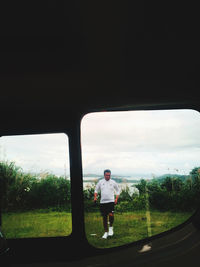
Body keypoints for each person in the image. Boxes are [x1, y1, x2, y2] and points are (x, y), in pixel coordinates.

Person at [94, 169, 120, 239]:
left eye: (109, 175)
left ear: (110, 175)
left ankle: (111, 227)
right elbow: (96, 190)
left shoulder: (113, 182)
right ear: (104, 175)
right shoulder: (100, 182)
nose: (108, 176)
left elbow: (118, 190)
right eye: (106, 175)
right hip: (103, 202)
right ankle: (106, 232)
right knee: (104, 217)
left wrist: (116, 198)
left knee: (111, 215)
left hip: (111, 201)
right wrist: (95, 197)